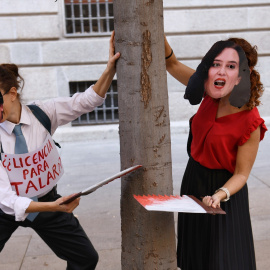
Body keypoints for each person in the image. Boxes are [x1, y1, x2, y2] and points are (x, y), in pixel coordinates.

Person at [0, 32, 120, 270]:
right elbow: (7, 199)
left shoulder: (43, 113)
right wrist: (54, 207)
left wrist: (110, 70)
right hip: (5, 209)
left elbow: (87, 101)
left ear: (12, 94)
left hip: (46, 200)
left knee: (86, 258)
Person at [165, 36, 267, 270]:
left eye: (231, 66)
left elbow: (242, 174)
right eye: (216, 63)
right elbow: (171, 64)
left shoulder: (250, 120)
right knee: (195, 258)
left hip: (225, 191)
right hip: (194, 181)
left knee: (225, 260)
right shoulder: (210, 92)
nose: (221, 71)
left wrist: (220, 195)